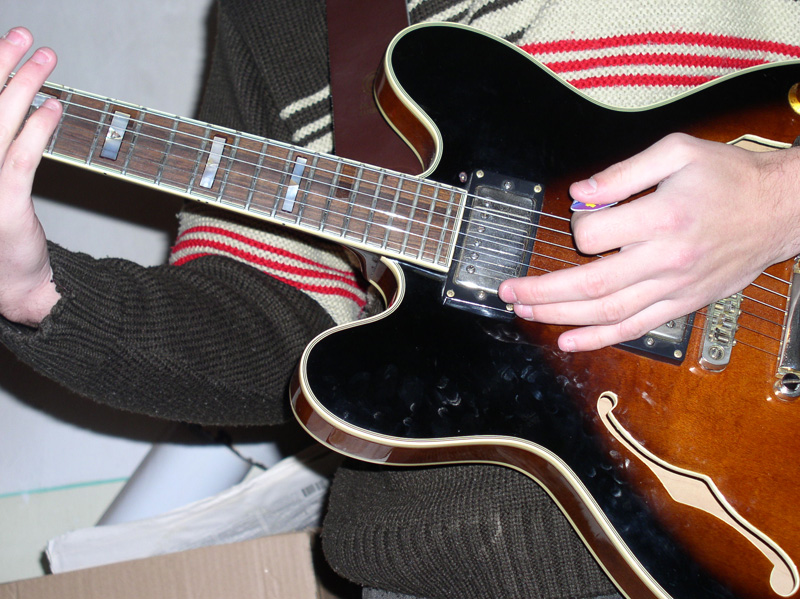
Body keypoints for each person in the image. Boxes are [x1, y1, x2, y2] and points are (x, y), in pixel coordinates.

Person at [3, 1, 800, 598]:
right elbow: (277, 333)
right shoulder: (276, 17)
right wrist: (37, 290)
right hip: (433, 567)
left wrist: (777, 198)